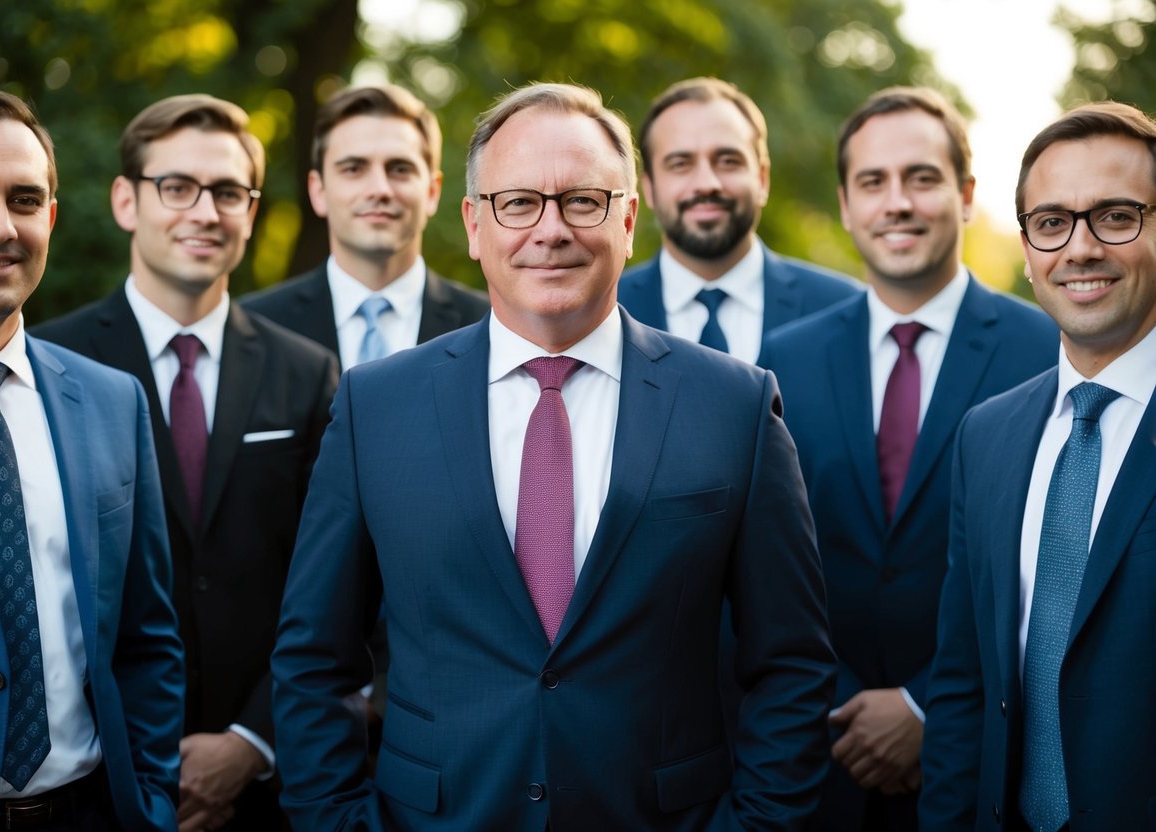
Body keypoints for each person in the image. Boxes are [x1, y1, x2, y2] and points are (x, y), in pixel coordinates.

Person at [271, 81, 836, 831]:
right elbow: (314, 659)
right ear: (474, 224)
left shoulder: (731, 404)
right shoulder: (376, 405)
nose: (550, 229)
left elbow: (790, 663)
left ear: (628, 218)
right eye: (518, 203)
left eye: (582, 201)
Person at [32, 94, 338, 831]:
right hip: (100, 780)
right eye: (177, 186)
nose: (205, 211)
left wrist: (249, 741)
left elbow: (336, 584)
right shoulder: (51, 365)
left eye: (228, 192)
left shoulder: (308, 373)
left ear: (252, 211)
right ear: (125, 200)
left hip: (269, 782)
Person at [757, 87, 1058, 832]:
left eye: (920, 178)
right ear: (846, 202)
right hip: (816, 757)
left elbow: (1052, 564)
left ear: (963, 196)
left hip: (981, 759)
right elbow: (760, 569)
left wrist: (928, 705)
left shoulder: (1045, 350)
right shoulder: (780, 363)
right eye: (872, 182)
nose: (897, 202)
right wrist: (843, 703)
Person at [0, 85, 184, 830]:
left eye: (23, 199)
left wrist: (150, 800)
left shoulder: (113, 402)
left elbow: (147, 637)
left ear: (50, 216)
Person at [920, 101, 1156, 831]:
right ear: (1025, 251)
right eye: (1051, 222)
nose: (1079, 248)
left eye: (1115, 216)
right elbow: (961, 684)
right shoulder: (985, 437)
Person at [241, 83, 489, 367]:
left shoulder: (489, 326)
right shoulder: (252, 327)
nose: (379, 189)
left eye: (399, 169)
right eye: (353, 169)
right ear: (318, 191)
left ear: (432, 191)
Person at [618, 76, 859, 363]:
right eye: (680, 164)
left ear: (762, 179)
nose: (707, 183)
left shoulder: (844, 309)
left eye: (728, 161)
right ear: (649, 188)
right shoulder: (602, 312)